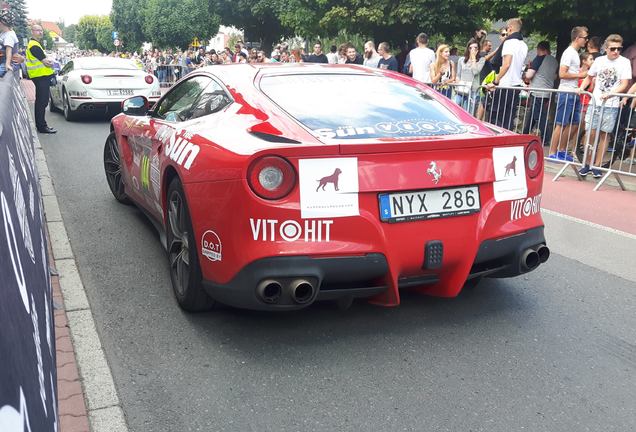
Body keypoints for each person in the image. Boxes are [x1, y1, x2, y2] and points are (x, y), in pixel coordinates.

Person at [578, 34, 632, 178]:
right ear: (606, 48)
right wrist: (582, 88)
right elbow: (589, 76)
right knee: (590, 132)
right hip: (595, 101)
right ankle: (586, 163)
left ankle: (597, 165)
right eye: (613, 48)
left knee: (605, 134)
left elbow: (624, 83)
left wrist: (611, 94)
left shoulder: (624, 62)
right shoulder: (600, 60)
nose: (616, 52)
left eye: (619, 49)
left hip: (611, 104)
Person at [548, 26, 589, 159]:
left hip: (573, 92)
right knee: (561, 123)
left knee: (574, 123)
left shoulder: (575, 54)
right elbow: (562, 73)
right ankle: (553, 152)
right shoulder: (569, 53)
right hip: (566, 92)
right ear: (577, 38)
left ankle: (562, 150)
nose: (586, 41)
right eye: (585, 38)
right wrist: (581, 74)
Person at [486, 18, 528, 131]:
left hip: (505, 84)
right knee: (509, 117)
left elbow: (506, 64)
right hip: (516, 85)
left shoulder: (509, 42)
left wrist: (496, 80)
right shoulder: (524, 45)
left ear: (510, 28)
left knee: (496, 117)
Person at [522, 41, 558, 145]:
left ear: (540, 49)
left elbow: (529, 75)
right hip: (547, 91)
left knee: (540, 116)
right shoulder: (554, 61)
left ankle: (546, 139)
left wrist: (526, 72)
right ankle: (525, 134)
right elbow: (555, 76)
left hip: (537, 91)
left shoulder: (539, 59)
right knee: (533, 114)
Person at [26, 24, 56, 134]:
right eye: (38, 30)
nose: (40, 32)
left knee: (42, 102)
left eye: (41, 30)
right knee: (41, 102)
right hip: (40, 77)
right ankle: (42, 126)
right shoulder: (34, 45)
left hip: (40, 77)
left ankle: (41, 125)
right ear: (32, 32)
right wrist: (51, 62)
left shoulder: (36, 44)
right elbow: (46, 62)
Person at [455, 39, 485, 113]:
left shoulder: (481, 60)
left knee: (468, 112)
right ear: (468, 48)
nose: (473, 50)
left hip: (473, 90)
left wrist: (473, 59)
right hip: (461, 89)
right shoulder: (461, 59)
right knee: (455, 107)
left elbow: (475, 72)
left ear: (478, 49)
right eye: (470, 48)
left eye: (475, 48)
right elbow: (458, 74)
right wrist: (457, 86)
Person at [0, 8, 18, 77]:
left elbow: (9, 51)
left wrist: (7, 64)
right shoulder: (3, 33)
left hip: (9, 62)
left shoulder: (9, 35)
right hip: (2, 59)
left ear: (3, 23)